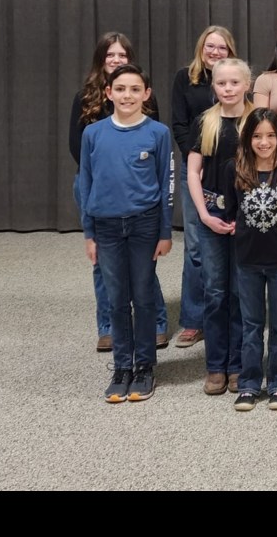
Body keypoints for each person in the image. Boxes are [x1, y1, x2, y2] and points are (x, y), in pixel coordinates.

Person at [78, 64, 174, 403]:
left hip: (144, 225)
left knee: (144, 296)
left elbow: (165, 185)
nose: (127, 95)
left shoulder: (158, 133)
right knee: (116, 299)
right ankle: (122, 366)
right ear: (108, 93)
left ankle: (145, 365)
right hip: (105, 226)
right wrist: (89, 232)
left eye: (135, 89)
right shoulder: (93, 133)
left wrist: (165, 230)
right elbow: (86, 183)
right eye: (120, 89)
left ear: (146, 94)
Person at [69, 32, 169, 352]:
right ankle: (109, 327)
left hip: (139, 196)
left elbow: (156, 151)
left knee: (143, 267)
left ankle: (155, 324)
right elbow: (79, 147)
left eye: (122, 55)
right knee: (104, 265)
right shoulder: (85, 97)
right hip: (99, 188)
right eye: (110, 55)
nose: (115, 59)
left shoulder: (143, 98)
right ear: (101, 60)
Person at [225, 108, 277, 412]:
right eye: (257, 136)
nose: (264, 142)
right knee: (252, 324)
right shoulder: (235, 168)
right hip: (247, 260)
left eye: (270, 135)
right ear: (247, 138)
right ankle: (249, 384)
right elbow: (232, 212)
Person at [187, 57, 255, 396]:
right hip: (212, 214)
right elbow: (192, 172)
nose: (228, 89)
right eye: (221, 83)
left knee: (241, 293)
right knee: (215, 293)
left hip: (248, 216)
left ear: (247, 84)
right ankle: (216, 365)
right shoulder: (206, 122)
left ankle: (239, 365)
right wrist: (203, 214)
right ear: (213, 86)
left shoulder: (257, 121)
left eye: (234, 83)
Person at [170, 25, 240, 349]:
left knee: (232, 246)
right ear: (201, 48)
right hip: (197, 167)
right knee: (196, 245)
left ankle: (230, 319)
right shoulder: (185, 78)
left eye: (222, 47)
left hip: (231, 171)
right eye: (210, 46)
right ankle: (193, 320)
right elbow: (180, 124)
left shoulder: (236, 83)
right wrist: (197, 156)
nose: (215, 52)